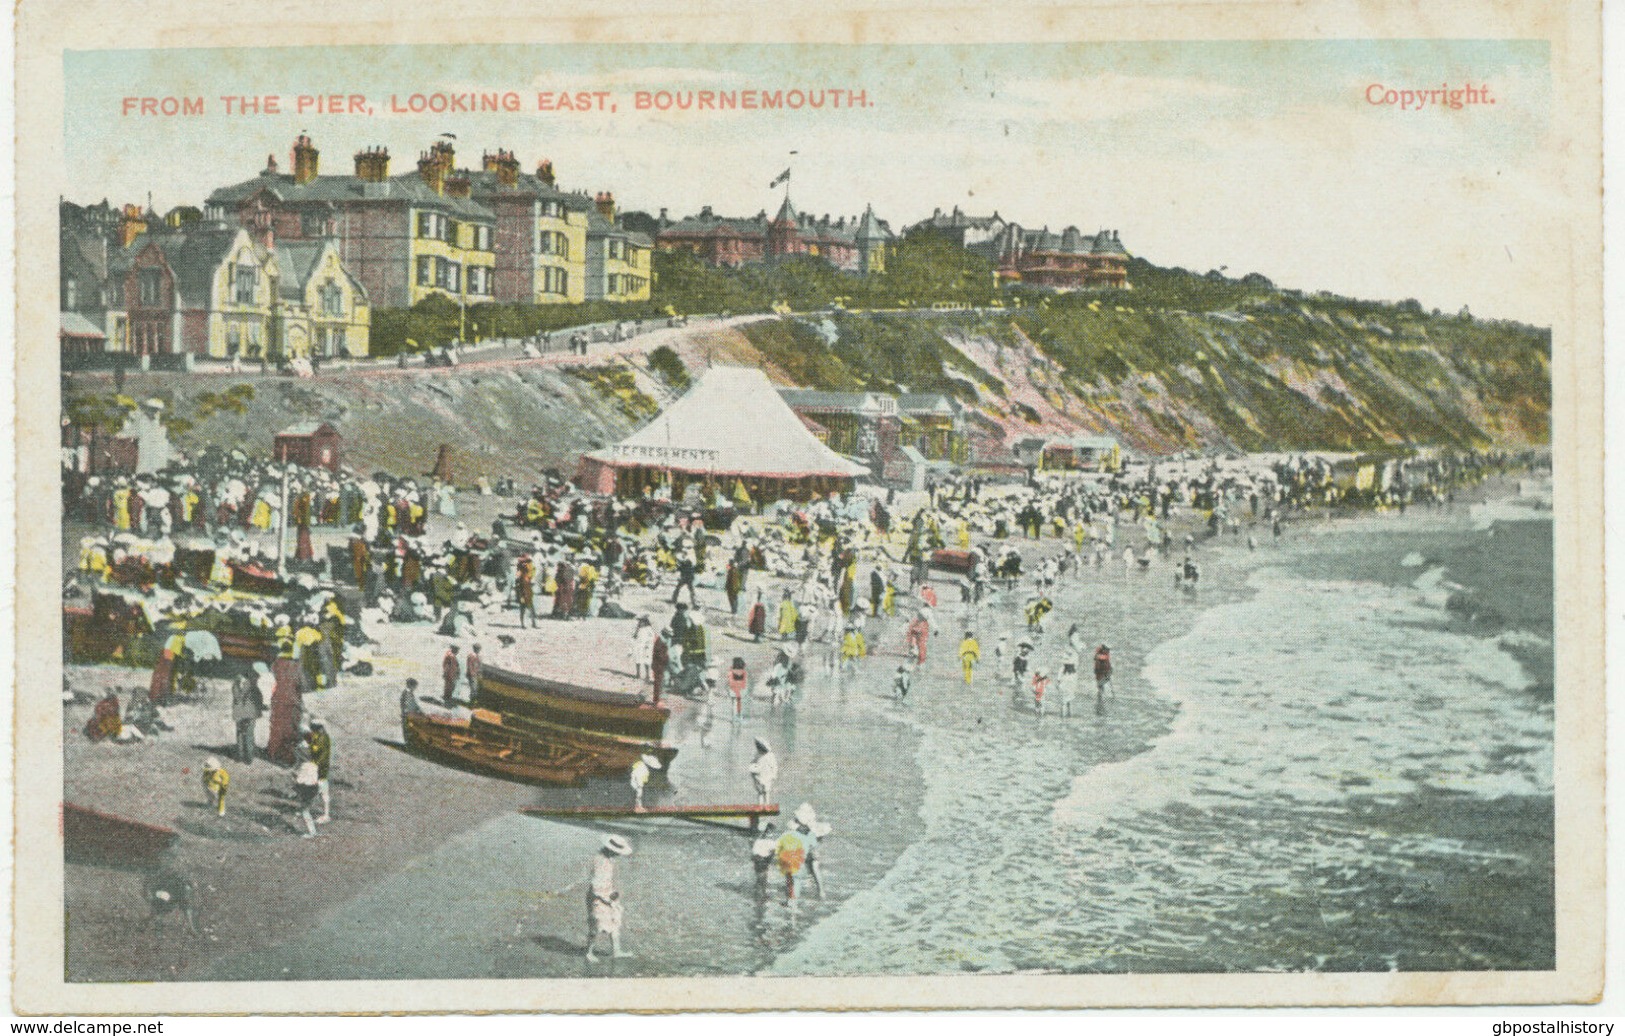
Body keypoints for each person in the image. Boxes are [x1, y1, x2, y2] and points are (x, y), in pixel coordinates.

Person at [586, 835, 634, 962]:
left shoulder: (608, 859)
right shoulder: (601, 862)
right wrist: (606, 899)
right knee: (597, 925)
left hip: (609, 894)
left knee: (615, 921)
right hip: (598, 898)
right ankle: (589, 952)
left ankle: (617, 951)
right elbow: (595, 885)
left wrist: (612, 896)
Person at [792, 803, 831, 899]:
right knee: (815, 869)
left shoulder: (799, 826)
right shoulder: (814, 826)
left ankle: (795, 895)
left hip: (805, 849)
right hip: (814, 849)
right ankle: (821, 891)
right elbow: (819, 838)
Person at [231, 666, 265, 765]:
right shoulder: (254, 688)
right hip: (250, 715)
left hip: (239, 714)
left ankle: (240, 755)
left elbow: (236, 698)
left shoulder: (236, 685)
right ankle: (249, 757)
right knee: (249, 735)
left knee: (240, 734)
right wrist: (260, 710)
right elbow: (258, 700)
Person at [307, 717, 333, 824]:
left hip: (320, 768)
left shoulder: (322, 738)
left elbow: (319, 753)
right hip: (317, 767)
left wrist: (315, 766)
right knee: (317, 790)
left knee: (323, 791)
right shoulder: (320, 736)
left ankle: (326, 815)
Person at [293, 756, 321, 838]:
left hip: (305, 788)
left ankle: (312, 832)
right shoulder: (315, 765)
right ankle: (313, 831)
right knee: (307, 809)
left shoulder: (303, 766)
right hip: (314, 788)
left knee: (305, 811)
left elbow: (299, 780)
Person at [750, 821, 779, 897]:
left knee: (760, 877)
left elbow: (754, 851)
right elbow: (774, 851)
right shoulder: (771, 841)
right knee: (763, 877)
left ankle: (758, 892)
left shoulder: (759, 840)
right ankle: (761, 894)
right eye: (772, 831)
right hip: (763, 860)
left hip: (758, 859)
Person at [748, 738, 777, 807]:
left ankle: (767, 804)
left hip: (767, 774)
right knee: (760, 791)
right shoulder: (757, 754)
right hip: (759, 774)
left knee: (766, 790)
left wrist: (774, 774)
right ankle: (760, 805)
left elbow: (774, 766)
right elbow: (753, 762)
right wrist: (752, 769)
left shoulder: (770, 755)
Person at [631, 616, 655, 682]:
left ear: (645, 622)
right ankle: (638, 674)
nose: (639, 622)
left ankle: (647, 675)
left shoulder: (649, 628)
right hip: (639, 646)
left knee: (646, 661)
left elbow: (652, 637)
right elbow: (634, 636)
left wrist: (648, 644)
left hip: (647, 646)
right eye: (639, 621)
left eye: (640, 621)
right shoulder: (639, 628)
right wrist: (637, 629)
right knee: (638, 659)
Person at [727, 656, 748, 721]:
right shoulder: (744, 671)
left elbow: (730, 680)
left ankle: (733, 717)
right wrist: (744, 688)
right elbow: (745, 681)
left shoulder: (731, 670)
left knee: (733, 704)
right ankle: (740, 716)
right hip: (741, 689)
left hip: (733, 689)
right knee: (740, 703)